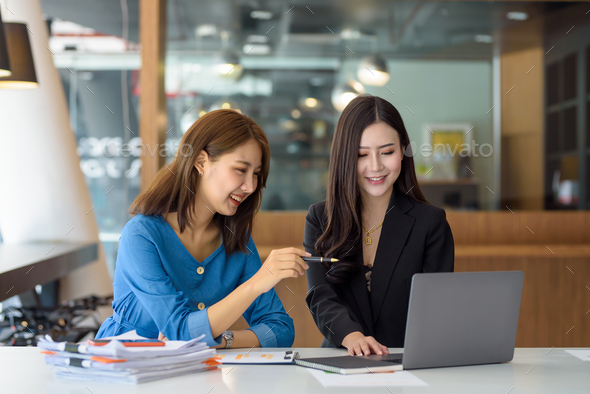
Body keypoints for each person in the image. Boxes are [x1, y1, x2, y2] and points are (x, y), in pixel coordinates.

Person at [96, 109, 309, 348]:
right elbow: (179, 331)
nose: (250, 186)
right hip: (121, 371)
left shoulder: (236, 239)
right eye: (240, 170)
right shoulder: (142, 236)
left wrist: (221, 340)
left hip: (192, 374)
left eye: (256, 174)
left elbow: (280, 330)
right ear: (200, 162)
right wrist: (256, 283)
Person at [304, 95, 454, 356]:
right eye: (361, 154)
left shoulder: (430, 223)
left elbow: (436, 306)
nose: (375, 166)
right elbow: (321, 295)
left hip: (407, 360)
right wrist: (352, 337)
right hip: (342, 357)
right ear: (344, 157)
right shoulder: (320, 218)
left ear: (403, 151)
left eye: (387, 152)